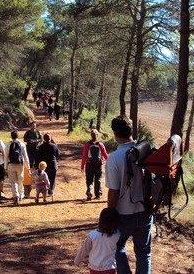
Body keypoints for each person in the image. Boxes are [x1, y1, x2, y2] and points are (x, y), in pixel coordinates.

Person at [105, 115, 153, 274]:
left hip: (123, 215)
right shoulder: (146, 151)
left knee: (117, 247)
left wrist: (108, 215)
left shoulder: (114, 158)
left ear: (115, 134)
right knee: (143, 253)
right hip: (145, 211)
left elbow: (114, 191)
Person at [74, 207, 121, 274]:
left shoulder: (93, 235)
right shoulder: (117, 235)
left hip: (94, 268)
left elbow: (85, 249)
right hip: (109, 268)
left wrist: (77, 260)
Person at [81, 129, 109, 201]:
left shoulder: (87, 144)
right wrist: (109, 162)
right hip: (98, 164)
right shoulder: (100, 144)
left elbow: (84, 156)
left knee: (89, 180)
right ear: (97, 135)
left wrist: (82, 166)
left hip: (89, 164)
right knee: (98, 179)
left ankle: (89, 191)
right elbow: (105, 155)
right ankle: (98, 194)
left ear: (91, 135)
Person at [4, 130, 30, 204]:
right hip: (20, 164)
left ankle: (16, 196)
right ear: (18, 136)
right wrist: (28, 167)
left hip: (10, 164)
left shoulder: (8, 144)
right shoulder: (22, 144)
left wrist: (5, 167)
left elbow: (6, 156)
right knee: (20, 180)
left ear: (11, 136)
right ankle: (21, 194)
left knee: (13, 181)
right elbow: (25, 156)